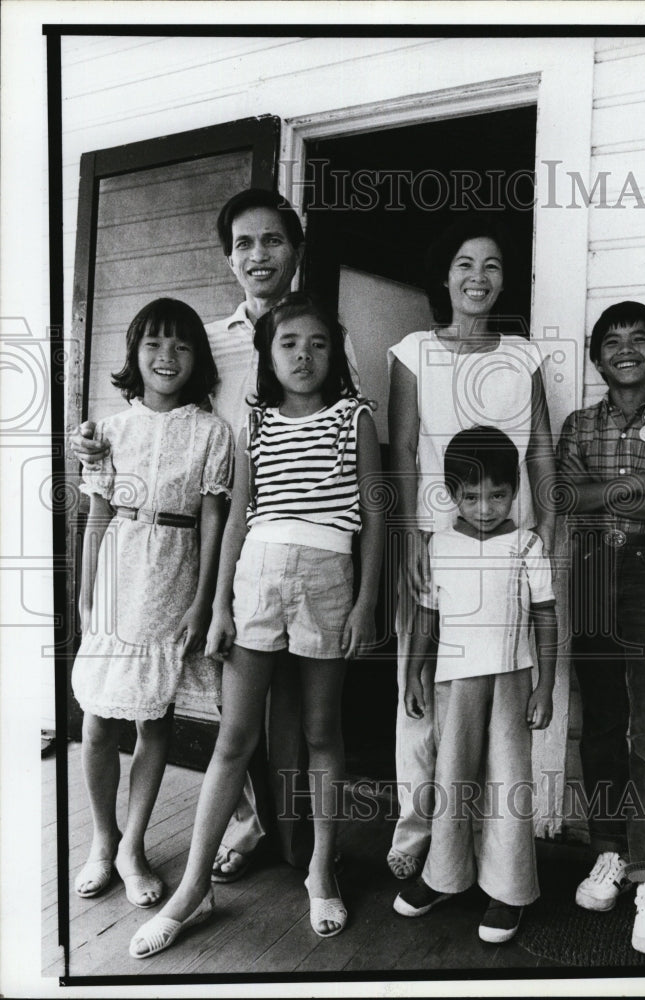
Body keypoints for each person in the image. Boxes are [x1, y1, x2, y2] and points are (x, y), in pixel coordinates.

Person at [70, 189, 321, 881]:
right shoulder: (215, 337)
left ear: (294, 250)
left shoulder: (318, 333)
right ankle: (232, 821)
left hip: (279, 530)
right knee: (208, 691)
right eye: (244, 243)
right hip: (176, 552)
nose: (258, 254)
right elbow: (119, 476)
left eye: (272, 240)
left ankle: (288, 835)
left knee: (283, 694)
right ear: (229, 257)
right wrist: (94, 446)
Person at [129, 292, 384, 957]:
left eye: (319, 343)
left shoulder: (354, 417)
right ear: (269, 355)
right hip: (256, 586)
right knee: (234, 740)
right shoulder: (257, 423)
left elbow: (378, 518)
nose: (304, 354)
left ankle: (321, 867)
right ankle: (192, 888)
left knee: (323, 732)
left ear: (335, 353)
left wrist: (365, 605)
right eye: (290, 343)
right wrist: (217, 607)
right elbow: (238, 518)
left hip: (330, 583)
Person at [386, 214, 556, 880]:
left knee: (499, 705)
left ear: (504, 278)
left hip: (509, 541)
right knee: (424, 691)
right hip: (438, 541)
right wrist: (407, 537)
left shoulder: (525, 354)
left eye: (491, 265)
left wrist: (549, 528)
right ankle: (415, 838)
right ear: (445, 275)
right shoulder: (411, 351)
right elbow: (401, 447)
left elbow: (540, 447)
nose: (478, 277)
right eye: (464, 263)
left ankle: (490, 853)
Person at [71, 298, 233, 908]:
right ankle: (102, 840)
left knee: (153, 719)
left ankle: (134, 846)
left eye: (182, 346)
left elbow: (214, 520)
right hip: (119, 574)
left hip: (174, 576)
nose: (168, 357)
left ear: (199, 359)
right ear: (135, 355)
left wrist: (201, 601)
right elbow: (97, 515)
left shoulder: (213, 433)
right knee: (97, 721)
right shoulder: (109, 431)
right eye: (154, 345)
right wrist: (88, 595)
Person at [556, 300, 645, 959]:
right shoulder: (577, 424)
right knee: (603, 718)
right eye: (611, 341)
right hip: (589, 571)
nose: (625, 349)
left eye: (639, 340)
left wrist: (609, 489)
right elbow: (562, 497)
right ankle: (609, 853)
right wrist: (641, 480)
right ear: (595, 358)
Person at [393, 426, 557, 944]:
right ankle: (444, 876)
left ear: (515, 491)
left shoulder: (527, 545)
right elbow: (426, 614)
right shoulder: (438, 546)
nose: (485, 507)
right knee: (452, 778)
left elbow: (547, 616)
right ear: (451, 494)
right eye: (471, 496)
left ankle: (508, 891)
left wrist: (546, 685)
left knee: (508, 782)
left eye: (498, 494)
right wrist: (413, 671)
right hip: (455, 684)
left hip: (511, 681)